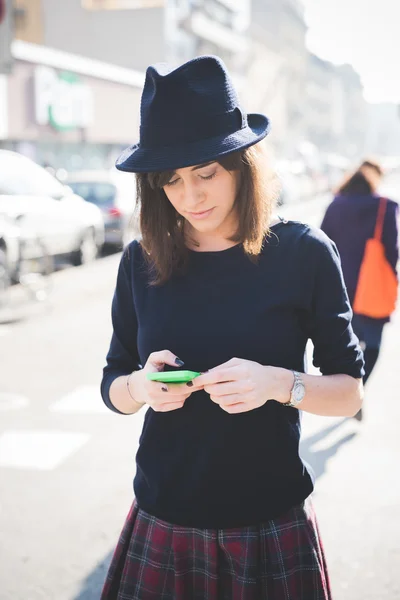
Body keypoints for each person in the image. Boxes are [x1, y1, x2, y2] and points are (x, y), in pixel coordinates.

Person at [100, 55, 364, 600]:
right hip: (162, 518)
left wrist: (277, 384)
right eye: (170, 179)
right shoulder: (139, 260)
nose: (190, 197)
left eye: (206, 172)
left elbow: (348, 393)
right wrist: (141, 389)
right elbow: (114, 384)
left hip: (268, 523)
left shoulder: (303, 253)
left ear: (243, 164)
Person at [321, 160, 399, 420]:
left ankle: (349, 393)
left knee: (346, 347)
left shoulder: (335, 205)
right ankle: (357, 392)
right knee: (373, 346)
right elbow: (392, 252)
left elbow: (320, 245)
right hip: (372, 289)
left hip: (337, 288)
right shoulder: (385, 207)